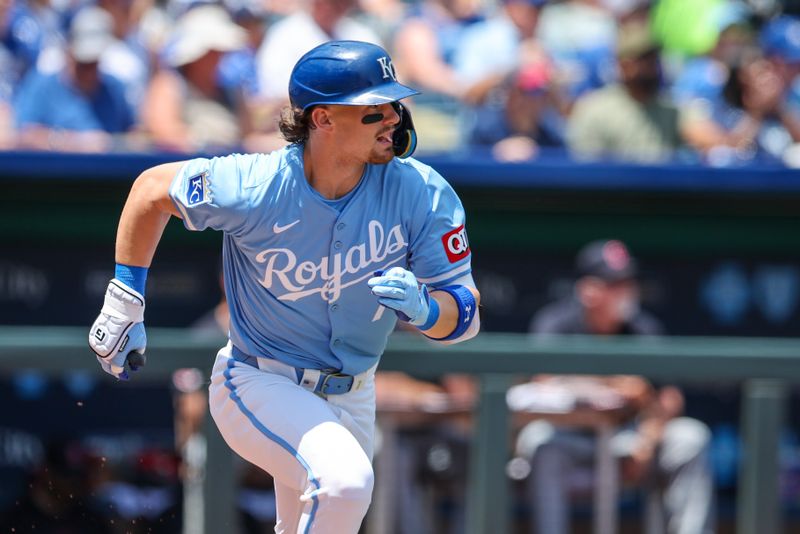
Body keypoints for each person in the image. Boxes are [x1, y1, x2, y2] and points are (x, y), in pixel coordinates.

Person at [88, 40, 481, 534]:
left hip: (354, 391)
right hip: (259, 380)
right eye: (372, 109)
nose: (392, 119)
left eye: (393, 105)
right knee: (344, 483)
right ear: (322, 119)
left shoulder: (422, 192)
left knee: (324, 507)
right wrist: (125, 300)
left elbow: (466, 314)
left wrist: (427, 311)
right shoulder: (257, 183)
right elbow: (151, 190)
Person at [513, 239, 714, 534]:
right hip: (574, 439)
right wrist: (614, 385)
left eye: (628, 283)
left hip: (629, 437)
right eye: (615, 284)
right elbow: (543, 383)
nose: (626, 293)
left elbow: (670, 398)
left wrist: (646, 442)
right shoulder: (557, 323)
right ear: (588, 290)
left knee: (691, 438)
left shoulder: (642, 329)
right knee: (541, 444)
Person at [14, 6, 135, 152]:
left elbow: (134, 135)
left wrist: (114, 143)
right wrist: (71, 142)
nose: (89, 71)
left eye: (94, 63)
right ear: (69, 52)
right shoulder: (41, 86)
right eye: (84, 64)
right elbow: (24, 135)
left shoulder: (115, 89)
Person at [566, 20, 684, 163]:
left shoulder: (671, 110)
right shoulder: (594, 109)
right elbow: (586, 169)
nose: (653, 68)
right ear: (624, 65)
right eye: (645, 60)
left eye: (655, 59)